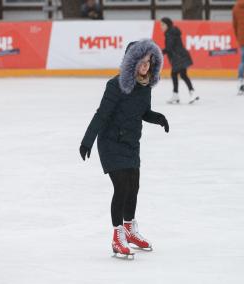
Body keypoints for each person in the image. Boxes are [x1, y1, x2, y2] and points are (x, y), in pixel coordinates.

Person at [79, 39, 168, 258]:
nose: (146, 65)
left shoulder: (145, 86)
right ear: (131, 62)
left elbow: (143, 112)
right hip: (110, 142)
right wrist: (87, 141)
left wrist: (158, 117)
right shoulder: (115, 85)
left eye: (149, 61)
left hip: (130, 143)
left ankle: (129, 229)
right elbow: (102, 114)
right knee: (122, 187)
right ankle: (117, 235)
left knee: (134, 186)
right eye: (141, 60)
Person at [160, 17, 198, 104]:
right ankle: (179, 94)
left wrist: (159, 52)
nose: (161, 27)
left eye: (163, 25)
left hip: (178, 57)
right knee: (181, 75)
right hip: (181, 56)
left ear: (167, 25)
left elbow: (169, 48)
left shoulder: (169, 33)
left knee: (176, 74)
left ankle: (186, 93)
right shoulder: (172, 31)